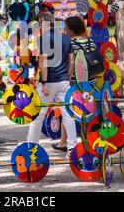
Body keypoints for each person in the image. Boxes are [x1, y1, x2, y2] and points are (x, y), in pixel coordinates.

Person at [27, 12, 77, 157]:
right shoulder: (66, 38)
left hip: (49, 82)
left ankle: (31, 147)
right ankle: (72, 147)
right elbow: (72, 61)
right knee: (68, 115)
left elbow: (43, 62)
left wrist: (43, 82)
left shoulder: (42, 40)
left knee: (38, 115)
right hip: (63, 82)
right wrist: (67, 75)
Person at [51, 16, 97, 152]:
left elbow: (66, 64)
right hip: (91, 83)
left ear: (71, 30)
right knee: (89, 111)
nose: (64, 31)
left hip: (74, 83)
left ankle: (66, 142)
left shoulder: (69, 44)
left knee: (67, 110)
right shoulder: (91, 42)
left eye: (66, 28)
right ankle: (67, 141)